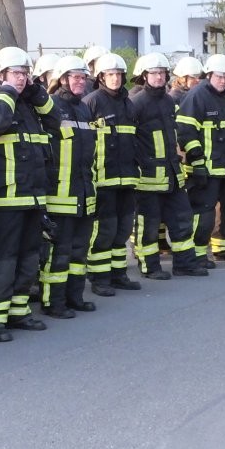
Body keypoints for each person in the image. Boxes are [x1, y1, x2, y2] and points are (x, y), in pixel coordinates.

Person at [0, 46, 60, 341]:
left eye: (25, 73)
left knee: (29, 258)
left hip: (32, 198)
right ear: (0, 74)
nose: (21, 79)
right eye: (16, 73)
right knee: (3, 261)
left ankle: (18, 312)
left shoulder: (29, 106)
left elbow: (56, 120)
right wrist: (6, 92)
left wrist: (38, 94)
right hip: (3, 201)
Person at [129, 53, 207, 279]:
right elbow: (130, 140)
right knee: (149, 224)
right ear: (144, 75)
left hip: (173, 173)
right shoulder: (136, 103)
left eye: (162, 73)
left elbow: (177, 134)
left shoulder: (168, 101)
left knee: (182, 219)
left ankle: (185, 264)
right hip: (148, 177)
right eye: (154, 73)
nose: (159, 77)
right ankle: (150, 267)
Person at [39, 55, 98, 318]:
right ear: (62, 79)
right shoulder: (52, 107)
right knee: (59, 253)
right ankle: (54, 302)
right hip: (60, 194)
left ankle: (75, 297)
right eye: (75, 77)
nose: (80, 82)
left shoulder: (85, 108)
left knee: (78, 251)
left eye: (83, 77)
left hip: (84, 193)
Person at [177, 54, 225, 265]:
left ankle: (223, 248)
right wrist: (197, 161)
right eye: (219, 76)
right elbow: (186, 131)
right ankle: (197, 254)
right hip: (206, 167)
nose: (223, 80)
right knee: (204, 213)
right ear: (209, 74)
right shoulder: (197, 96)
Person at [82, 53, 141, 296]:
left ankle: (119, 274)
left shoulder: (128, 103)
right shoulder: (91, 102)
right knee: (104, 232)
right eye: (110, 75)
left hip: (127, 178)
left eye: (118, 74)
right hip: (103, 180)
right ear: (100, 77)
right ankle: (99, 278)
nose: (115, 78)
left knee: (122, 229)